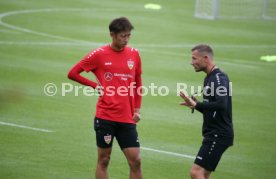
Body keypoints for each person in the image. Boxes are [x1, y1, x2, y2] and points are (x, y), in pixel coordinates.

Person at [67, 17, 143, 179]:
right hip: (106, 117)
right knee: (104, 160)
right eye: (123, 36)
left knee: (136, 160)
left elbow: (138, 82)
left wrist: (137, 109)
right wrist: (95, 86)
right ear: (112, 35)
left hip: (127, 118)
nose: (126, 39)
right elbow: (72, 73)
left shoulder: (134, 54)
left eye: (129, 35)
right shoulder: (99, 54)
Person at [179, 44, 234, 179]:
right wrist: (196, 106)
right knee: (203, 174)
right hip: (214, 133)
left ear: (205, 58)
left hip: (218, 134)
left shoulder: (219, 78)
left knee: (196, 172)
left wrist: (198, 103)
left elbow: (222, 104)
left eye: (194, 59)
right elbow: (213, 109)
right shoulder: (209, 77)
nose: (191, 62)